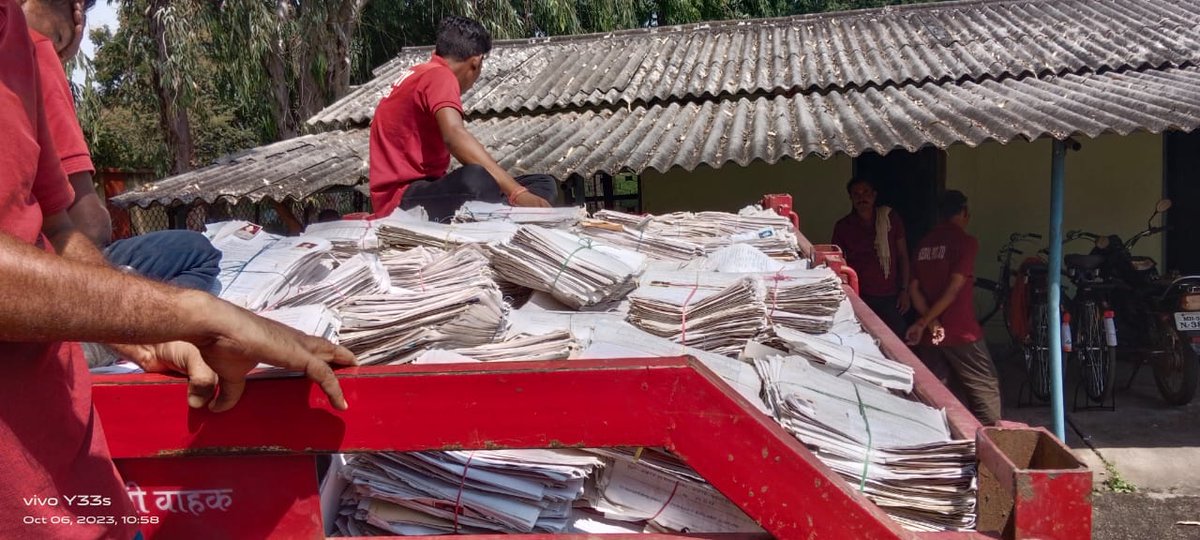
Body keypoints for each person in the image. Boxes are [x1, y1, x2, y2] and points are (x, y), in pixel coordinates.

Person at [0, 4, 355, 537]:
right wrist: (196, 314)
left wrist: (140, 340)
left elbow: (60, 228)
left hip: (75, 482)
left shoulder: (17, 42)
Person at [22, 0, 224, 294]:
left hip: (25, 265)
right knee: (199, 252)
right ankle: (143, 332)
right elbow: (87, 227)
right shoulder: (34, 55)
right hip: (42, 276)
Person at [369, 15, 559, 221]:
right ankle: (502, 209)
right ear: (476, 62)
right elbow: (455, 135)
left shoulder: (419, 73)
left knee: (541, 182)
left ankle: (498, 208)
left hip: (427, 189)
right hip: (400, 202)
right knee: (475, 179)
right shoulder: (440, 75)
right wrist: (516, 193)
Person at [905, 190, 1002, 426]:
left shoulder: (924, 244)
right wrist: (927, 322)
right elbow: (953, 289)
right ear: (963, 213)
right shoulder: (965, 242)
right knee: (985, 389)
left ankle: (944, 442)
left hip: (931, 335)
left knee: (938, 397)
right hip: (962, 332)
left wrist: (925, 323)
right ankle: (991, 447)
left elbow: (914, 289)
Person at [831, 178, 911, 335]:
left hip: (892, 295)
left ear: (874, 195)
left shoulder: (889, 219)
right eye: (856, 194)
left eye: (866, 192)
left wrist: (904, 290)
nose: (862, 198)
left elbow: (903, 256)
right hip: (861, 296)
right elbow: (837, 262)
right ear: (851, 198)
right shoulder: (844, 226)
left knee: (898, 338)